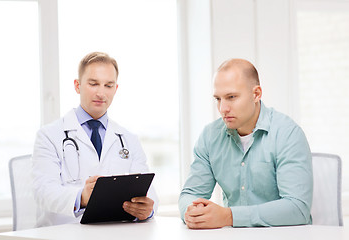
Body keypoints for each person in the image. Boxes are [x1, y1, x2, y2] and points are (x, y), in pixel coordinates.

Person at [179, 59, 313, 228]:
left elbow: (298, 208)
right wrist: (193, 212)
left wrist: (230, 217)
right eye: (218, 99)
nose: (222, 108)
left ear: (256, 94)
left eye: (231, 97)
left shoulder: (287, 134)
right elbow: (190, 194)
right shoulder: (210, 136)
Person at [32, 51, 158, 227]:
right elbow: (43, 192)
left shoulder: (128, 139)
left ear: (116, 89)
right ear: (77, 85)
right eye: (93, 84)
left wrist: (147, 210)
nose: (101, 93)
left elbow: (149, 194)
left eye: (108, 85)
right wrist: (81, 197)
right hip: (63, 234)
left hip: (115, 233)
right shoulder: (49, 135)